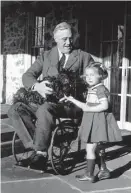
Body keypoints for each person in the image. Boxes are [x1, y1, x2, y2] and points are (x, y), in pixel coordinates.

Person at [8, 22, 110, 179]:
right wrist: (37, 86)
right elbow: (27, 76)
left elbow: (96, 77)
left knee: (45, 109)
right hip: (45, 101)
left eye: (70, 38)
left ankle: (41, 153)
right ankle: (36, 145)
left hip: (70, 104)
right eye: (64, 39)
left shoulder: (82, 57)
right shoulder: (46, 56)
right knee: (15, 109)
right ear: (55, 39)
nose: (68, 43)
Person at [60, 62, 122, 182]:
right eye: (87, 75)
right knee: (97, 148)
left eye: (92, 75)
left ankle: (89, 174)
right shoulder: (93, 88)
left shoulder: (100, 89)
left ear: (101, 76)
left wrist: (89, 109)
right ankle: (104, 170)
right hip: (92, 121)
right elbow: (85, 106)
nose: (89, 77)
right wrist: (72, 99)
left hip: (96, 122)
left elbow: (104, 106)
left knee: (90, 149)